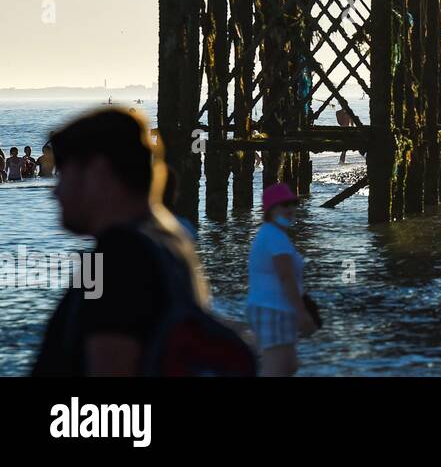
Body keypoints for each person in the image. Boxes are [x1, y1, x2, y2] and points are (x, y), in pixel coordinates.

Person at [32, 108, 209, 376]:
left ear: (98, 173)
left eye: (64, 174)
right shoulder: (170, 238)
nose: (55, 192)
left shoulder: (120, 255)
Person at [247, 183, 317, 376]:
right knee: (276, 370)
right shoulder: (274, 237)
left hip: (274, 309)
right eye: (285, 205)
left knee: (289, 366)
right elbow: (286, 277)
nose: (291, 209)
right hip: (272, 309)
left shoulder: (273, 234)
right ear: (270, 209)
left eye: (293, 204)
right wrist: (302, 312)